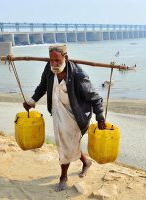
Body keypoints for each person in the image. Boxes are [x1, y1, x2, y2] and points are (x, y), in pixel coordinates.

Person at [23, 44, 106, 192]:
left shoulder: (78, 75)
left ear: (65, 58)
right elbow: (43, 86)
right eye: (51, 60)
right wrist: (32, 101)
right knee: (67, 144)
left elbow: (95, 97)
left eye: (57, 60)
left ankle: (63, 178)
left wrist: (100, 117)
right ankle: (86, 161)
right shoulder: (49, 69)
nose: (54, 64)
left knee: (65, 145)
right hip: (58, 112)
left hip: (76, 115)